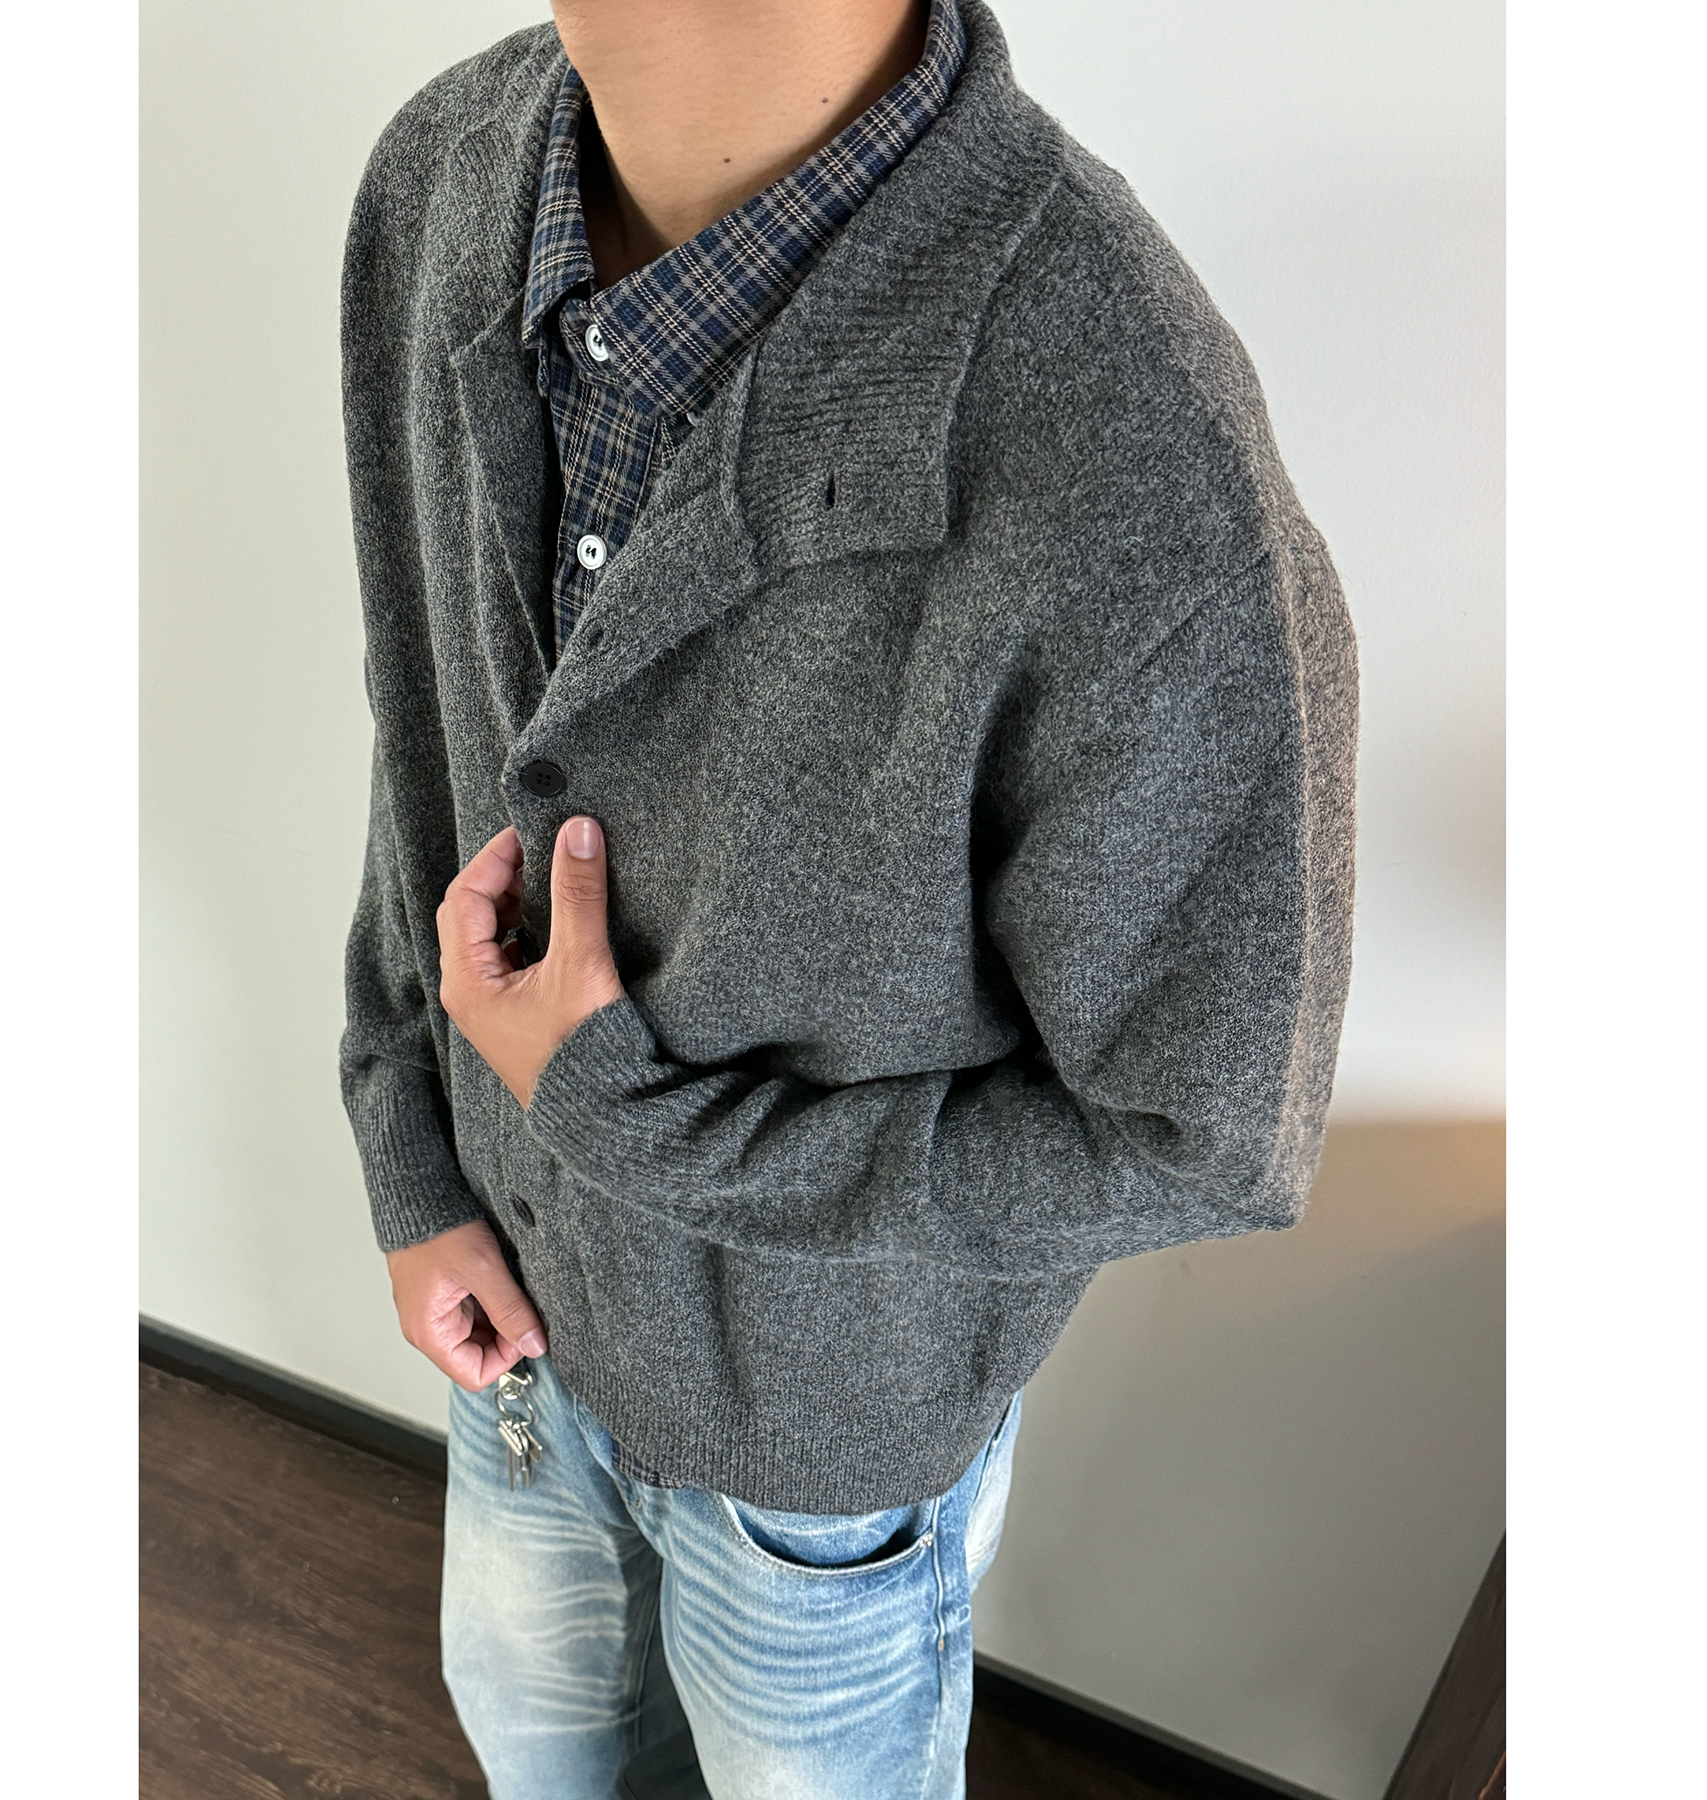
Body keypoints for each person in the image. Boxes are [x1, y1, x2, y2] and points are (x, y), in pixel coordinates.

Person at [337, 0, 1358, 1793]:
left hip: (815, 1474)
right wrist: (408, 1147)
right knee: (539, 1759)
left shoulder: (1131, 442)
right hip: (512, 1327)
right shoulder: (439, 186)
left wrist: (642, 1125)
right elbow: (433, 739)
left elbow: (1204, 1134)